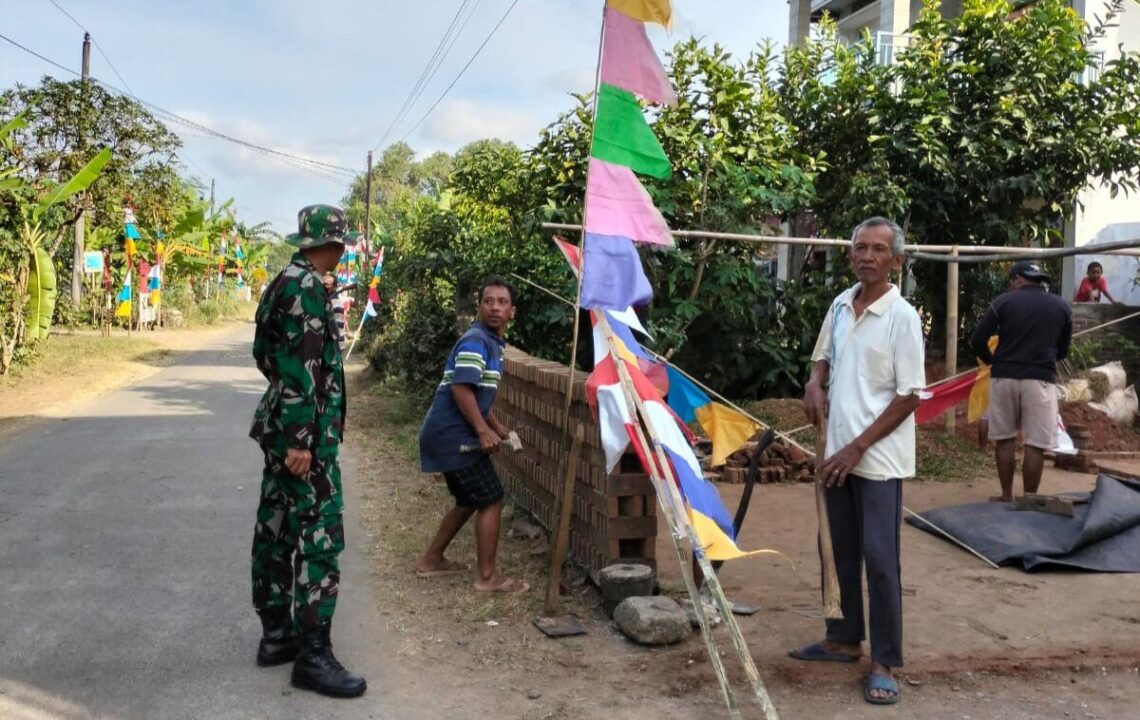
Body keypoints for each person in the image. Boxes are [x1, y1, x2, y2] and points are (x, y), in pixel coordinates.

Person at [790, 217, 926, 707]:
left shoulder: (902, 317)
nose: (867, 256)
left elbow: (910, 395)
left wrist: (857, 447)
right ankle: (844, 637)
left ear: (897, 260)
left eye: (878, 250)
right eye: (860, 248)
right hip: (836, 448)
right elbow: (822, 357)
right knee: (837, 545)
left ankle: (884, 661)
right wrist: (813, 383)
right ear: (850, 255)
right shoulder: (841, 304)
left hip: (876, 459)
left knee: (879, 557)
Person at [248, 204, 366, 698]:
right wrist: (301, 441)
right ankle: (313, 657)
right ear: (333, 243)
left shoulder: (282, 281)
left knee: (275, 528)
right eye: (341, 244)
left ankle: (277, 637)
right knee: (319, 538)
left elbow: (264, 355)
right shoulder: (308, 289)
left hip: (279, 427)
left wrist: (287, 426)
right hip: (303, 440)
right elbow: (302, 366)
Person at [415, 278, 529, 594]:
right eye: (488, 301)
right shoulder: (477, 342)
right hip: (454, 435)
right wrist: (481, 431)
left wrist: (497, 428)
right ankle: (487, 577)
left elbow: (478, 395)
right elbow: (461, 388)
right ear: (479, 307)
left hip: (445, 433)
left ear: (512, 312)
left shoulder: (490, 343)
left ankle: (432, 560)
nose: (494, 307)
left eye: (502, 302)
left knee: (468, 498)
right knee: (491, 498)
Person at [970, 261, 1072, 503]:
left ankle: (1006, 495)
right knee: (1035, 443)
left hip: (1004, 376)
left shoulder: (1004, 302)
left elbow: (977, 339)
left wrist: (993, 361)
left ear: (1018, 279)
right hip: (1040, 379)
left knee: (1005, 438)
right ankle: (1028, 498)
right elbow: (1063, 350)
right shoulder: (1061, 306)